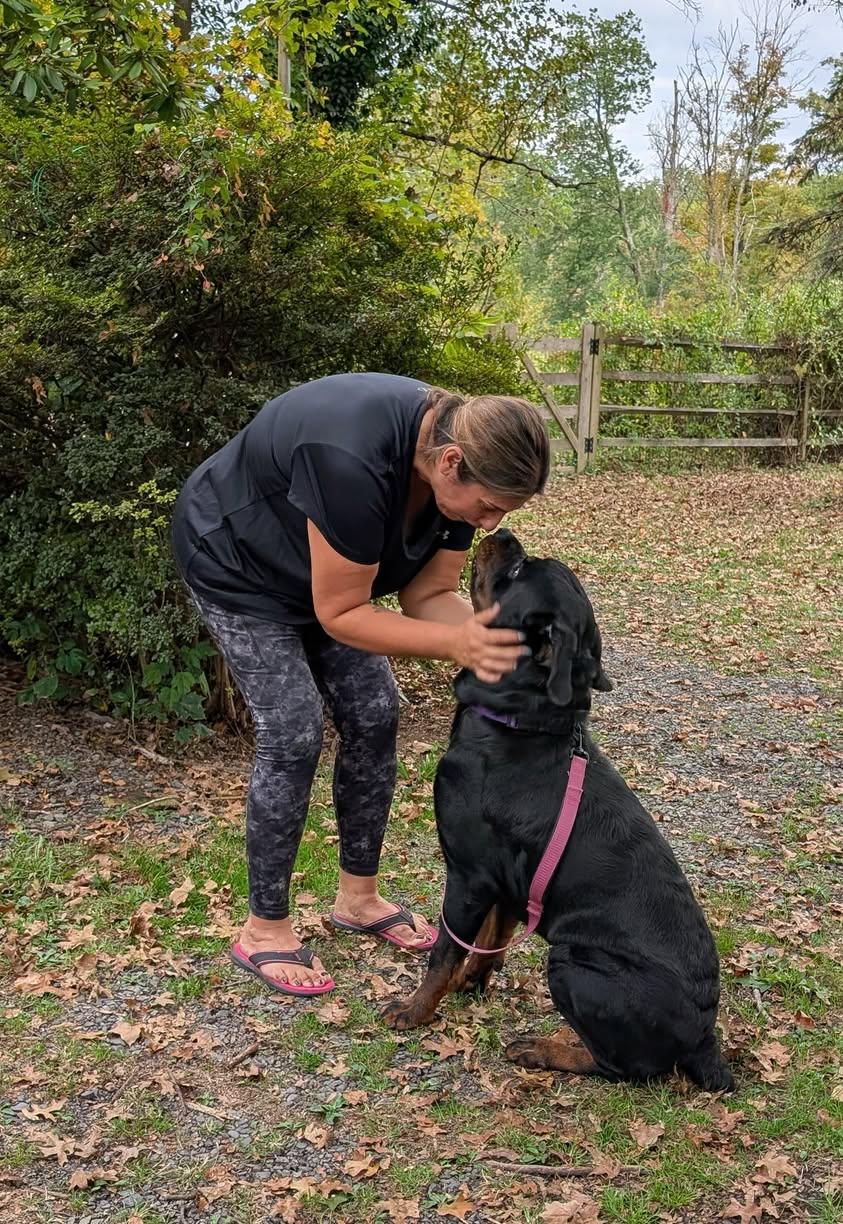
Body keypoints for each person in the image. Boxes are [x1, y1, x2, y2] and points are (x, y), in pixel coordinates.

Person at [172, 373, 549, 996]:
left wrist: (496, 641)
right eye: (489, 505)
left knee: (375, 712)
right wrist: (458, 645)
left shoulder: (453, 464)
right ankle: (263, 930)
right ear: (451, 463)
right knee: (292, 730)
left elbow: (428, 596)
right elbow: (342, 614)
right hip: (239, 566)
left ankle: (358, 898)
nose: (492, 521)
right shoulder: (349, 457)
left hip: (328, 585)